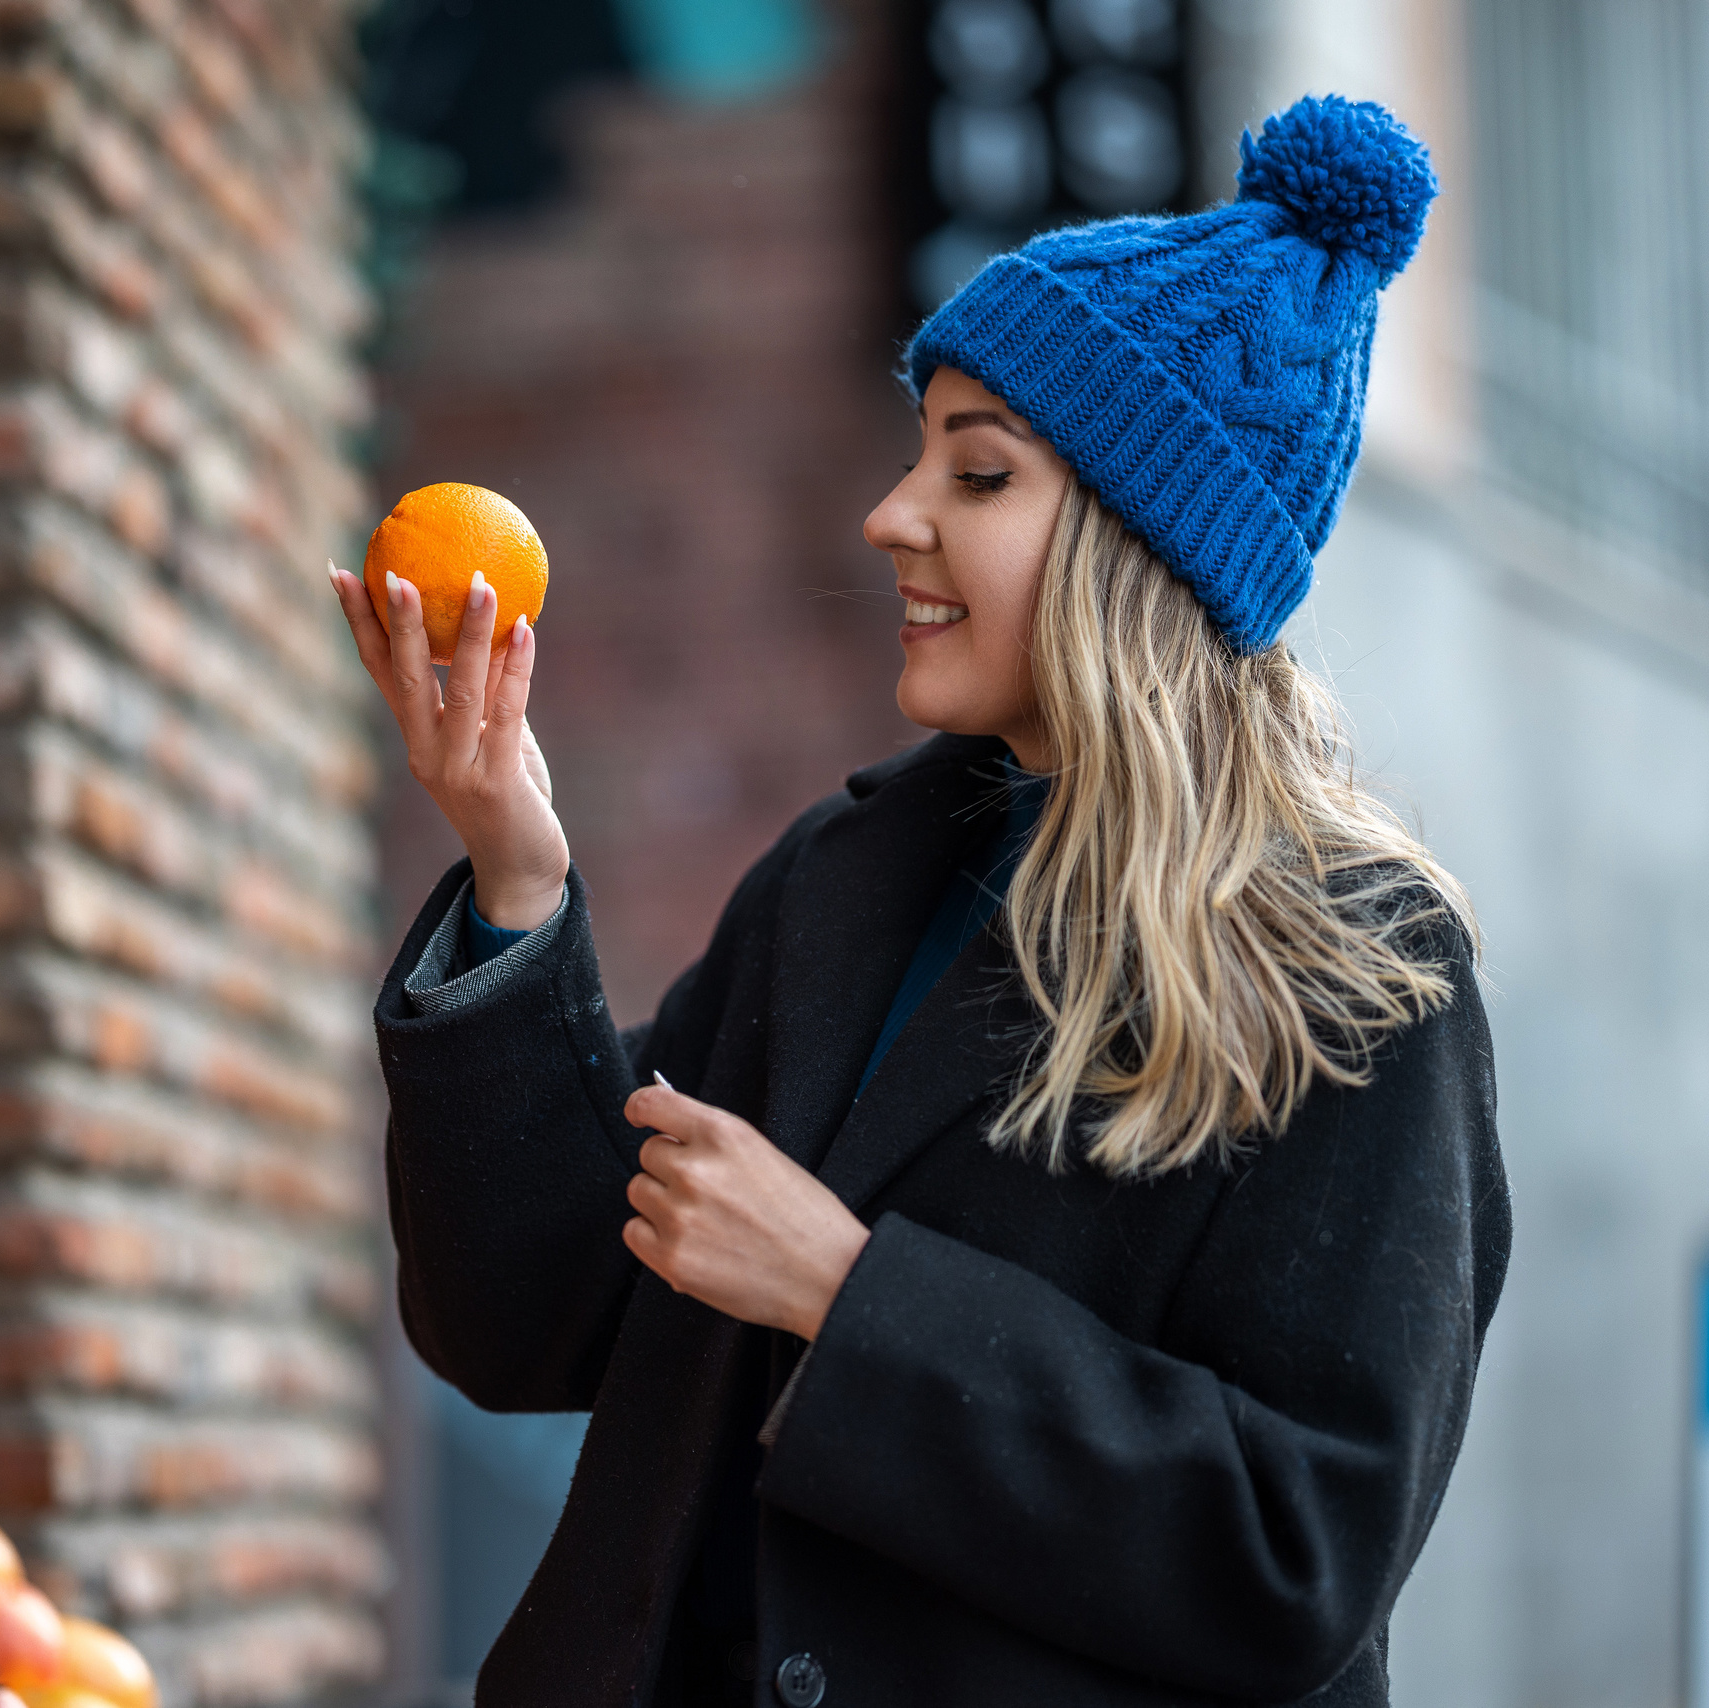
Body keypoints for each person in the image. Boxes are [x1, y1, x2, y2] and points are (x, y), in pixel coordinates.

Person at [331, 94, 1510, 1708]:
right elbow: (534, 1319)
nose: (894, 514)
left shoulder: (1361, 970)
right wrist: (516, 876)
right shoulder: (847, 878)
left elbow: (1293, 1547)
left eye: (980, 471)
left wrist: (844, 1295)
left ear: (1138, 543)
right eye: (919, 458)